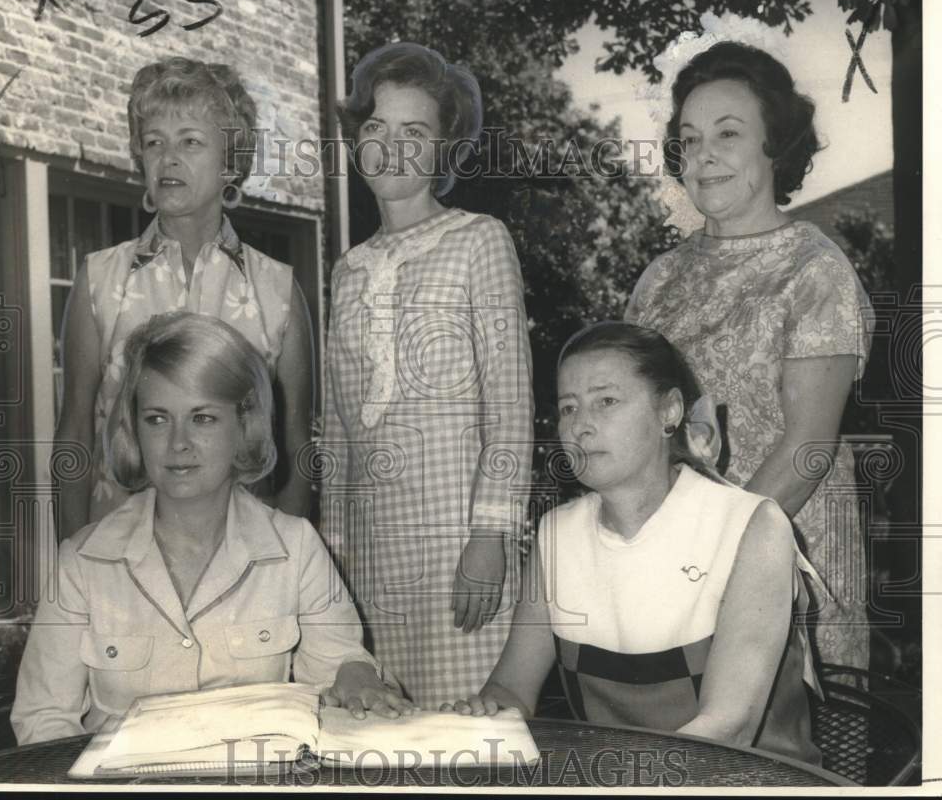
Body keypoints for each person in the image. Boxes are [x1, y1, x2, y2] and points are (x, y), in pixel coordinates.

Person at [12, 313, 412, 745]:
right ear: (134, 429)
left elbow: (340, 671)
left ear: (244, 426)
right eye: (157, 419)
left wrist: (356, 675)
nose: (178, 443)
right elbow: (42, 721)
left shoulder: (296, 548)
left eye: (202, 418)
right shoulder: (82, 562)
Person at [442, 322, 822, 766]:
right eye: (568, 408)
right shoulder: (556, 535)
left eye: (606, 401)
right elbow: (510, 691)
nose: (580, 426)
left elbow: (726, 729)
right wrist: (486, 716)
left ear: (670, 412)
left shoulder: (752, 526)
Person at [625, 41, 872, 670]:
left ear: (776, 145)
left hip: (789, 566)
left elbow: (808, 447)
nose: (703, 153)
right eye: (690, 137)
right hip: (671, 574)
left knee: (791, 759)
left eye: (728, 133)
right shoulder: (658, 280)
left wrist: (710, 554)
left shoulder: (815, 269)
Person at [320, 42, 534, 708]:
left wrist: (491, 536)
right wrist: (334, 554)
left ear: (445, 150)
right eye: (376, 127)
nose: (391, 145)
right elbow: (335, 431)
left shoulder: (479, 240)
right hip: (373, 558)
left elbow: (511, 405)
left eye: (414, 131)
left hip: (458, 545)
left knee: (468, 739)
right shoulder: (346, 269)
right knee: (382, 738)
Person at [54, 56, 312, 540]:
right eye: (154, 143)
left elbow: (299, 450)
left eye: (191, 141)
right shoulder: (98, 280)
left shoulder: (277, 291)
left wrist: (285, 563)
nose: (168, 159)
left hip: (244, 561)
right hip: (119, 558)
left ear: (229, 162)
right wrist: (71, 557)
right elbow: (73, 436)